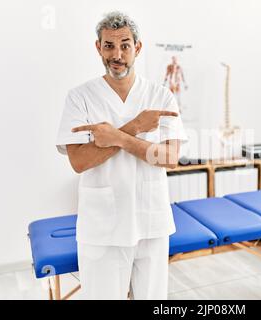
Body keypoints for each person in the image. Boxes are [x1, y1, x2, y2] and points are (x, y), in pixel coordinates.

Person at [55, 11, 188, 300]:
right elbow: (79, 162)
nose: (117, 54)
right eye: (109, 46)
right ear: (98, 47)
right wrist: (134, 128)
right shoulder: (80, 97)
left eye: (125, 45)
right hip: (103, 226)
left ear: (137, 48)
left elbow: (169, 158)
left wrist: (115, 137)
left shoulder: (161, 95)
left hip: (151, 221)